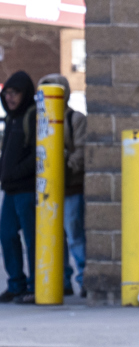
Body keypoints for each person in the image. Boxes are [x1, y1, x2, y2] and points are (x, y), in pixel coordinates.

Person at [40, 75, 88, 298]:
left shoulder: (75, 119)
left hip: (70, 188)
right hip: (48, 190)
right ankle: (61, 281)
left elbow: (81, 152)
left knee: (75, 235)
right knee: (53, 237)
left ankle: (83, 279)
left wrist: (64, 164)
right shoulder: (41, 120)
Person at [0, 71, 38, 303]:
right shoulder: (11, 119)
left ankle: (35, 285)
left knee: (33, 239)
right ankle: (16, 283)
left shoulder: (31, 116)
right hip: (11, 190)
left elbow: (37, 153)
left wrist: (15, 172)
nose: (10, 98)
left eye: (15, 93)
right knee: (6, 234)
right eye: (7, 94)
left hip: (26, 189)